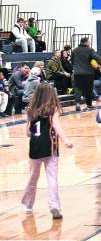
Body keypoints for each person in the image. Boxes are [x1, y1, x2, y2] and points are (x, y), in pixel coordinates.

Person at [21, 84, 74, 220]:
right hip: (50, 147)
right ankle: (54, 206)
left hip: (35, 147)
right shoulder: (53, 109)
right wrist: (66, 140)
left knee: (33, 177)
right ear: (52, 95)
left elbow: (27, 133)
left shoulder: (30, 110)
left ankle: (27, 204)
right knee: (52, 177)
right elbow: (56, 125)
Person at [71, 37, 101, 111]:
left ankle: (77, 104)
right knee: (89, 89)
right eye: (89, 42)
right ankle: (89, 104)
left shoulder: (74, 50)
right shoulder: (90, 50)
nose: (89, 43)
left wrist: (76, 68)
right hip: (88, 73)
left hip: (77, 73)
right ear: (86, 42)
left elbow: (72, 61)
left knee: (78, 88)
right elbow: (97, 58)